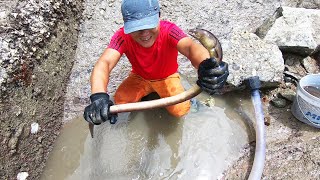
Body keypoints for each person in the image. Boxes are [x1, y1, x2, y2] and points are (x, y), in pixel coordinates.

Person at [83, 0, 229, 125]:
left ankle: (192, 102)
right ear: (126, 25)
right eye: (137, 28)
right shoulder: (122, 36)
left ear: (158, 16)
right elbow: (105, 63)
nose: (144, 33)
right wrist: (98, 96)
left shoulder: (170, 30)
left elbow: (190, 48)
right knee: (120, 102)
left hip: (167, 77)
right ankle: (149, 93)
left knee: (180, 111)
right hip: (139, 77)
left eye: (149, 25)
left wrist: (206, 66)